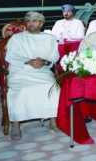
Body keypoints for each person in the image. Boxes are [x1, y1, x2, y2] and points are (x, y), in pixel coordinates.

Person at [5, 11, 60, 140]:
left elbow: (54, 57)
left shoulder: (49, 38)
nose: (30, 24)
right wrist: (28, 61)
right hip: (21, 71)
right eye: (28, 21)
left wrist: (44, 62)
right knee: (21, 90)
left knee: (51, 87)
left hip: (42, 71)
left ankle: (53, 121)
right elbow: (10, 56)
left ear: (41, 23)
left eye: (34, 21)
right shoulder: (17, 38)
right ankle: (16, 124)